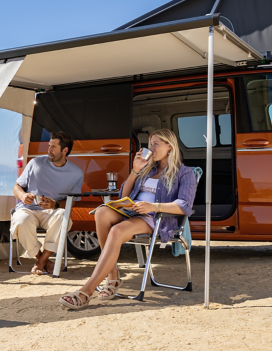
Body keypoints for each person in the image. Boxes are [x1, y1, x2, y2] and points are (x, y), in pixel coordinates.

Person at [59, 128, 197, 309]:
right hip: (132, 211)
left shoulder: (184, 173)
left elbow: (185, 205)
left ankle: (86, 291)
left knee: (117, 230)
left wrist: (152, 207)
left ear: (169, 147)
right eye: (150, 144)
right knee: (101, 212)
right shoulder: (148, 170)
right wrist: (135, 171)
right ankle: (113, 275)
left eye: (156, 144)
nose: (151, 148)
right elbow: (124, 194)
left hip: (155, 217)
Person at [12, 131, 84, 275]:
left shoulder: (76, 174)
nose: (49, 150)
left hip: (52, 213)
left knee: (63, 215)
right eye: (49, 146)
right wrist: (23, 195)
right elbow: (17, 186)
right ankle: (43, 260)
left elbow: (72, 203)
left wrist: (55, 205)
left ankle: (41, 261)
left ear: (65, 150)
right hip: (28, 209)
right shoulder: (35, 162)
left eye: (53, 147)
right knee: (20, 220)